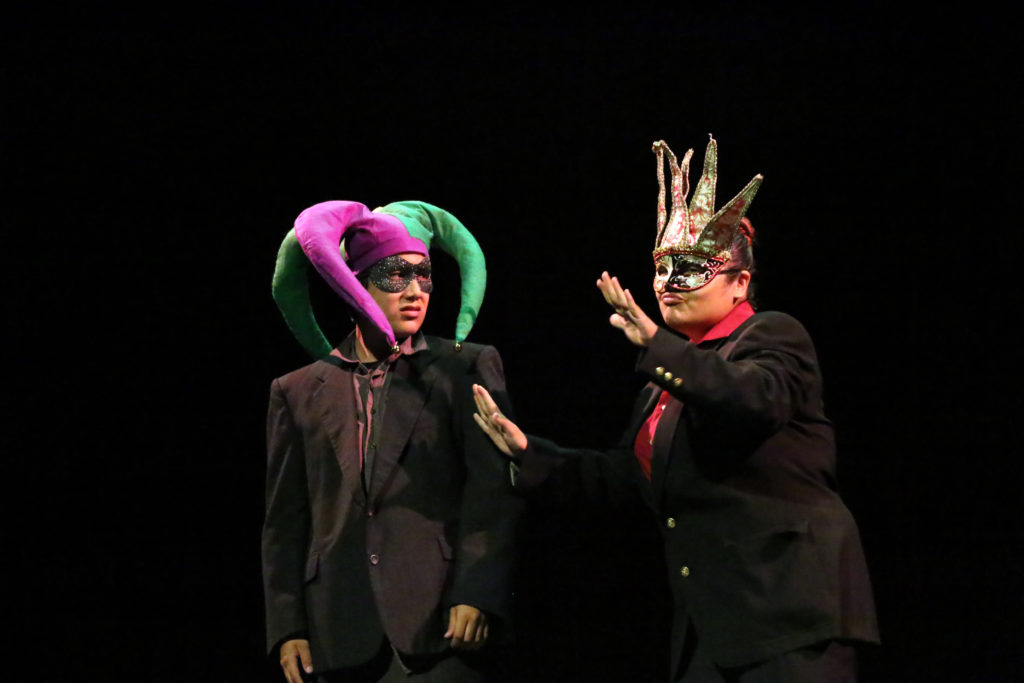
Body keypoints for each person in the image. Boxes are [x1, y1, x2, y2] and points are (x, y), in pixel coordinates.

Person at [473, 138, 880, 682]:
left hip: (787, 612)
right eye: (662, 268)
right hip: (713, 625)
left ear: (739, 283)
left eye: (690, 268)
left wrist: (657, 347)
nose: (667, 284)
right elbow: (626, 476)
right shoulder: (664, 383)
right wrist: (530, 453)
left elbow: (751, 400)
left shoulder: (770, 336)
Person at [263, 200, 521, 683]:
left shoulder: (464, 368)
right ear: (353, 283)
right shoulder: (296, 390)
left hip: (442, 623)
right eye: (393, 274)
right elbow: (285, 519)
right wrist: (287, 626)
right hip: (336, 632)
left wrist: (477, 592)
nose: (415, 291)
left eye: (423, 274)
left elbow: (493, 492)